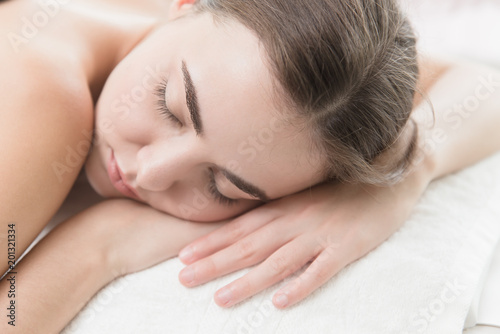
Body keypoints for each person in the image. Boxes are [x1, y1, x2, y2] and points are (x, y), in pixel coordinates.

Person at [0, 0, 499, 332]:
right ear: (184, 7)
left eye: (223, 187)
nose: (150, 173)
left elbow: (483, 86)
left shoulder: (308, 79)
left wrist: (396, 184)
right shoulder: (43, 93)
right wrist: (100, 245)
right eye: (168, 104)